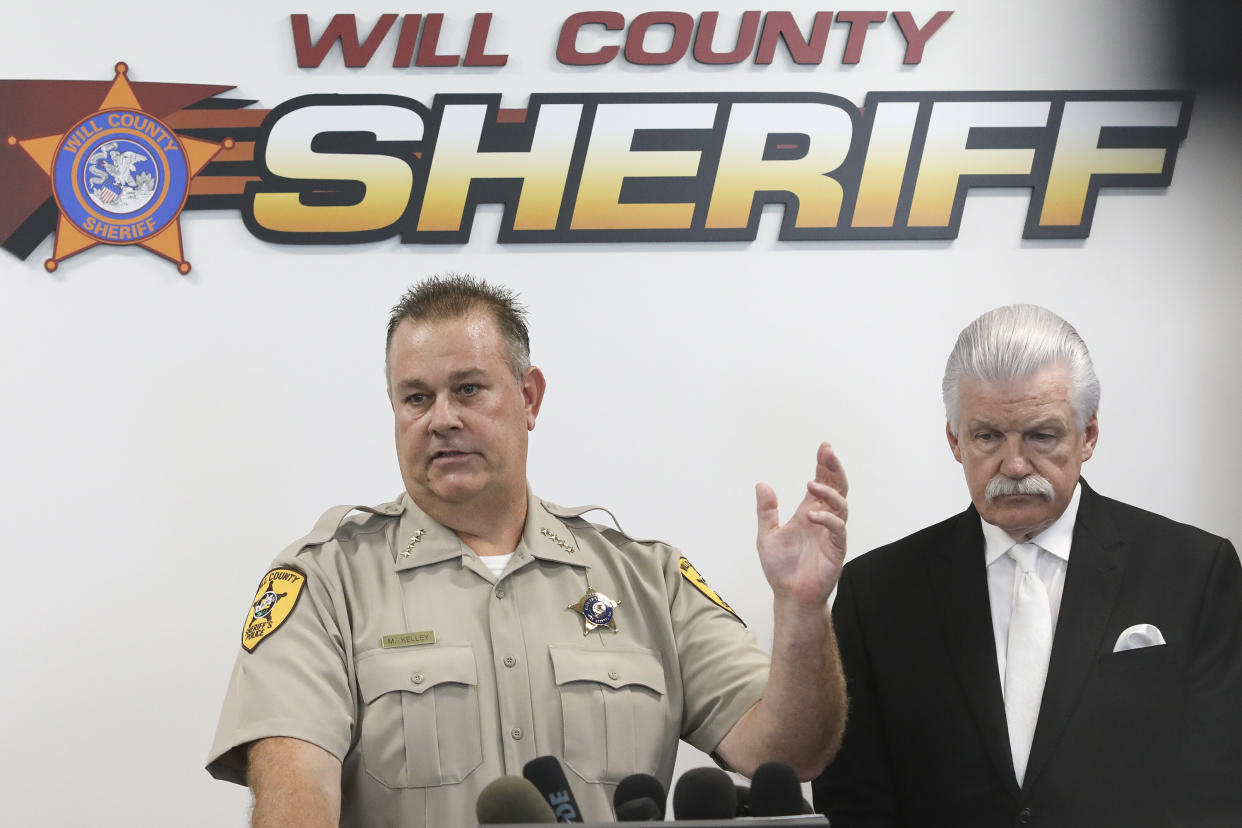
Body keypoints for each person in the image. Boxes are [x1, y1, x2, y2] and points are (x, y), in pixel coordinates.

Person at [207, 275, 849, 827]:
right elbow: (296, 795)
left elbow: (789, 752)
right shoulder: (325, 580)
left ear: (529, 397)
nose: (441, 419)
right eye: (416, 397)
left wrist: (801, 611)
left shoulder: (644, 577)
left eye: (468, 389)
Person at [812, 304, 1242, 828]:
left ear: (1088, 436)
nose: (1014, 466)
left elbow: (1220, 783)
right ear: (955, 440)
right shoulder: (877, 592)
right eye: (988, 436)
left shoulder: (1194, 571)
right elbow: (853, 797)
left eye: (1041, 436)